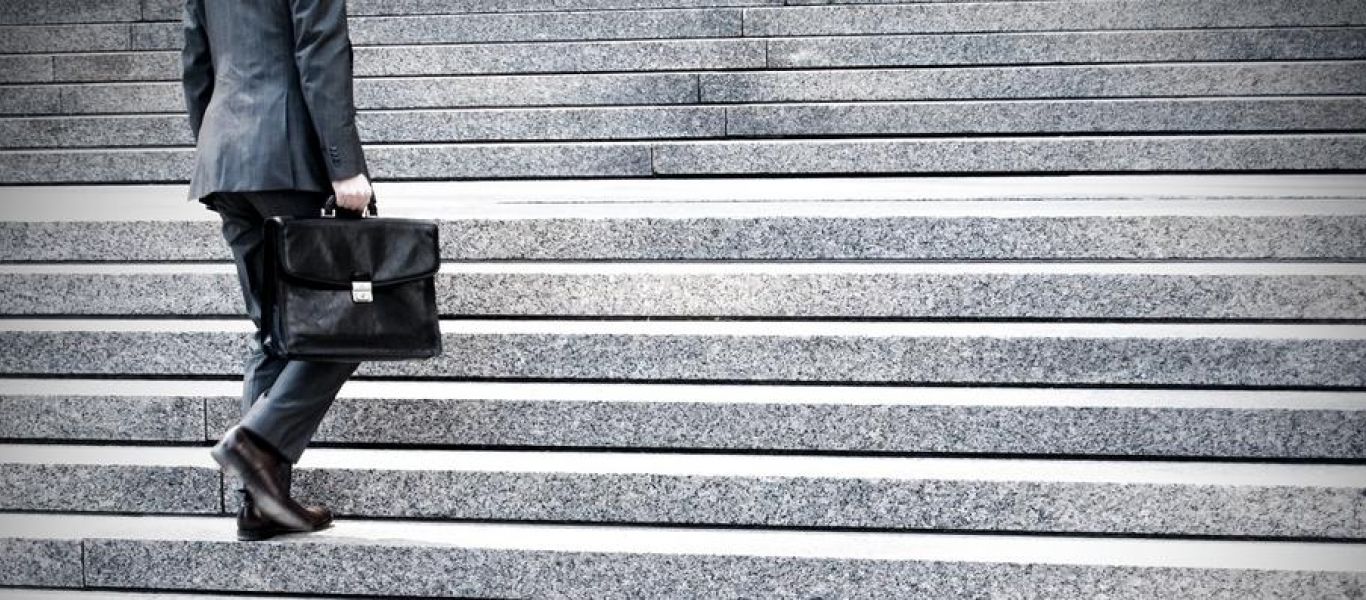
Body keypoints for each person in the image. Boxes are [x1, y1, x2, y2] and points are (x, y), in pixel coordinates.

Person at [181, 0, 372, 541]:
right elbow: (320, 51)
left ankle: (261, 502)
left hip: (226, 159)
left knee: (273, 332)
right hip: (287, 158)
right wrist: (345, 167)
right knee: (346, 326)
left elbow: (196, 63)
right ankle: (257, 442)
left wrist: (219, 148)